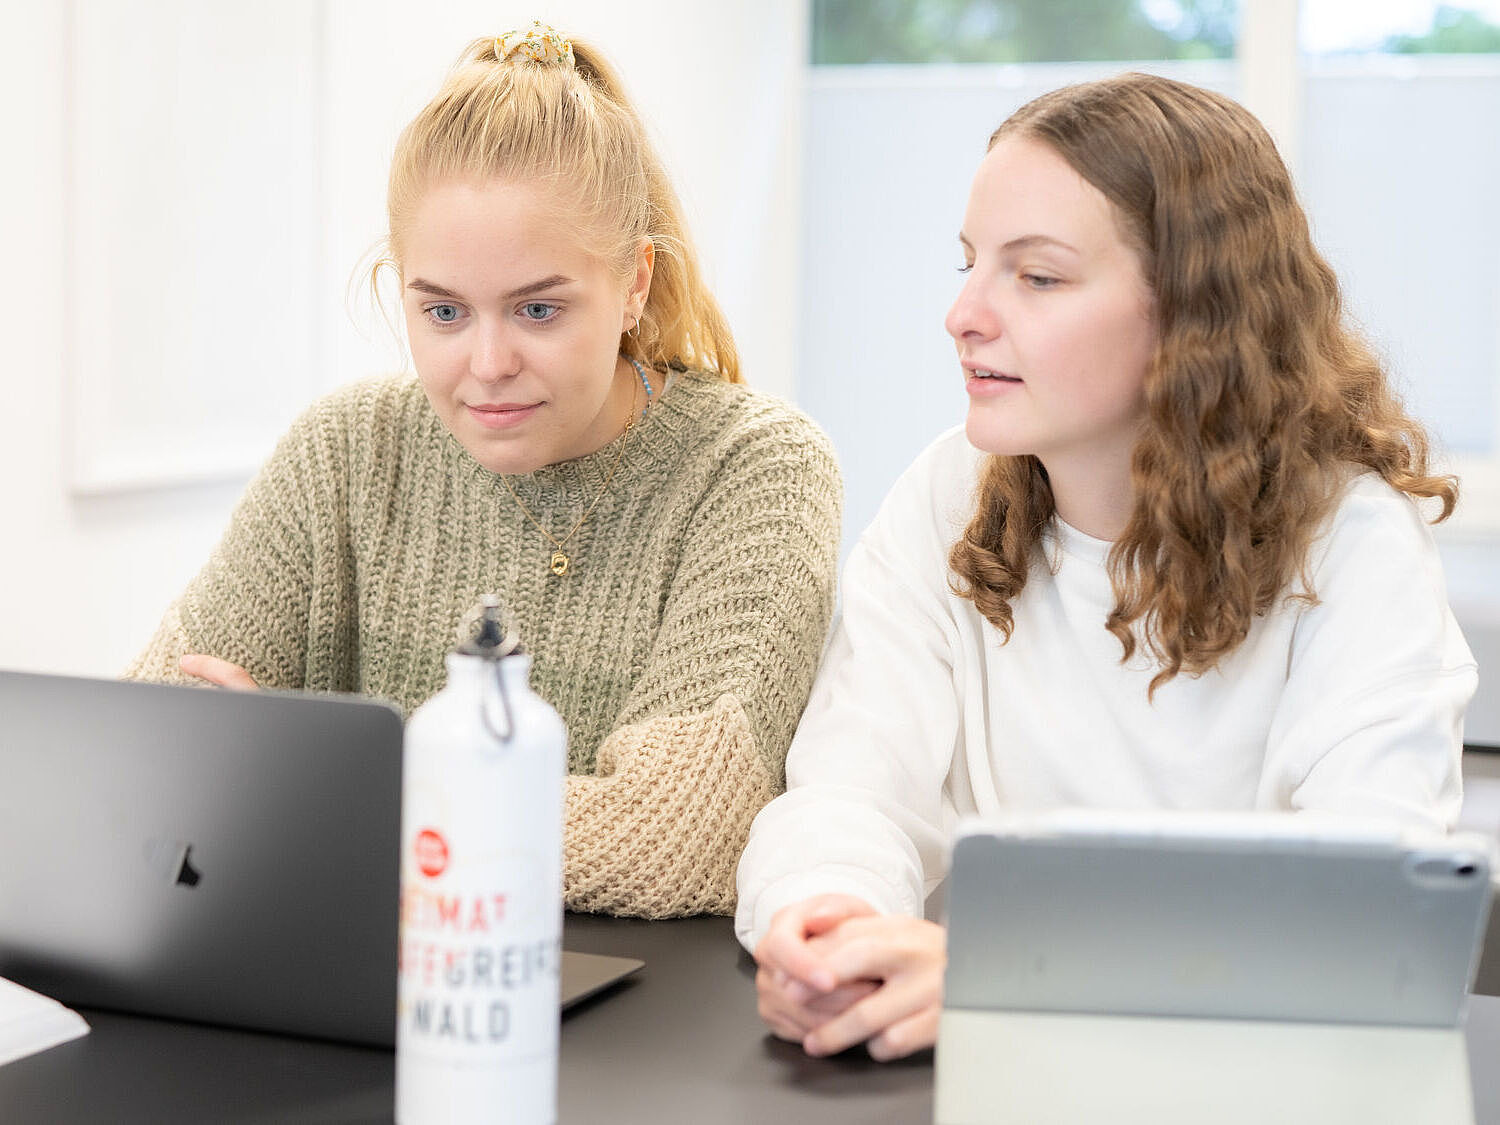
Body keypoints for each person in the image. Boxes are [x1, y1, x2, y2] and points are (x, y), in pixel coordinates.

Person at [736, 72, 1476, 1060]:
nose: (963, 314)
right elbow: (851, 788)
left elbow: (1370, 907)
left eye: (1035, 277)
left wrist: (1009, 980)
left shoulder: (1350, 542)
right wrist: (827, 925)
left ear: (1191, 314)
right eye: (970, 264)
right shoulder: (948, 493)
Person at [127, 23, 842, 920]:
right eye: (444, 311)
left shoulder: (755, 468)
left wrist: (323, 795)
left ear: (633, 282)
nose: (488, 362)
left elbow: (674, 837)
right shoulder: (346, 451)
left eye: (538, 308)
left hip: (620, 1029)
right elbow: (147, 756)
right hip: (347, 993)